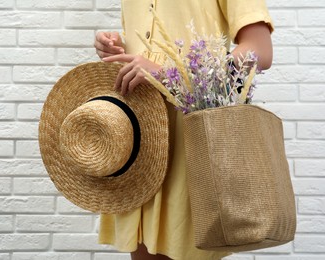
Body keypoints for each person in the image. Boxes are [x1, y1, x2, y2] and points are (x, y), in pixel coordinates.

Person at [94, 1, 273, 259]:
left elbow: (260, 51)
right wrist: (116, 46)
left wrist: (170, 73)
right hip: (139, 136)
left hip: (191, 138)